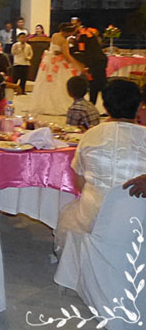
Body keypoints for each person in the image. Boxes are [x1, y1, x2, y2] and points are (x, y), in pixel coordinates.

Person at [54, 80, 146, 254]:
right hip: (137, 220)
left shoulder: (90, 135)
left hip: (91, 220)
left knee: (76, 207)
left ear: (105, 107)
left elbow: (79, 184)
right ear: (139, 106)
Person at [30, 22, 86, 115]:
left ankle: (45, 104)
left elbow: (54, 49)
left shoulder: (55, 35)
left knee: (47, 84)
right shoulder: (64, 41)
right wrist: (77, 64)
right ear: (68, 32)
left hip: (48, 61)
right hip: (58, 63)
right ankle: (57, 104)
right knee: (60, 83)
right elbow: (67, 56)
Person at [73, 24, 107, 105]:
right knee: (101, 82)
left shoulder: (82, 38)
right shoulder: (92, 37)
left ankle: (92, 103)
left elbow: (81, 50)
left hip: (94, 62)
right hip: (101, 60)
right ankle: (105, 101)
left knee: (93, 84)